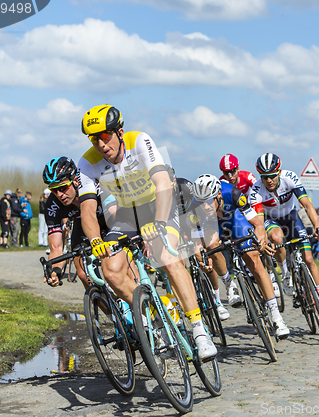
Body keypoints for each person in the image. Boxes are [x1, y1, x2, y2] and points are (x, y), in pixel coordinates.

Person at [78, 104, 217, 361]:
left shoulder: (139, 140)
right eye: (94, 139)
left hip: (159, 204)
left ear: (119, 132)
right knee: (110, 270)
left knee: (166, 256)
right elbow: (87, 209)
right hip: (126, 214)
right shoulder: (88, 162)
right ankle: (155, 320)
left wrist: (160, 223)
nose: (101, 144)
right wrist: (96, 239)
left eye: (105, 137)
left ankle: (199, 331)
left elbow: (163, 183)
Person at [192, 173, 290, 338]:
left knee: (255, 263)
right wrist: (201, 259)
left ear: (219, 194)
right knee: (210, 246)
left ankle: (276, 317)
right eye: (202, 203)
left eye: (209, 201)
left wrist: (261, 239)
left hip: (235, 220)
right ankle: (229, 285)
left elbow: (257, 224)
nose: (206, 206)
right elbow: (196, 242)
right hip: (212, 226)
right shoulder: (194, 207)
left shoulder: (234, 193)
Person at [249, 153, 319, 323]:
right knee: (277, 237)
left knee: (309, 259)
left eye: (273, 175)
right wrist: (262, 239)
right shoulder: (256, 190)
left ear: (279, 172)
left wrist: (317, 227)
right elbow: (258, 220)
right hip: (270, 219)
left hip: (291, 217)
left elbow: (306, 204)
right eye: (265, 177)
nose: (269, 180)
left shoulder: (290, 178)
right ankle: (286, 273)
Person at [42, 156, 117, 294]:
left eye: (63, 187)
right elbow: (56, 248)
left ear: (75, 180)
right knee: (83, 274)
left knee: (113, 269)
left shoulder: (94, 185)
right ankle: (111, 313)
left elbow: (117, 215)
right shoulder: (52, 205)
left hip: (108, 222)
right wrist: (55, 271)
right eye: (53, 190)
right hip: (83, 226)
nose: (59, 194)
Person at [167, 166, 230, 321]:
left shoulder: (186, 187)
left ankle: (217, 300)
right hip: (175, 226)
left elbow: (202, 211)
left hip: (194, 221)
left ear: (174, 181)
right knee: (178, 260)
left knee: (205, 256)